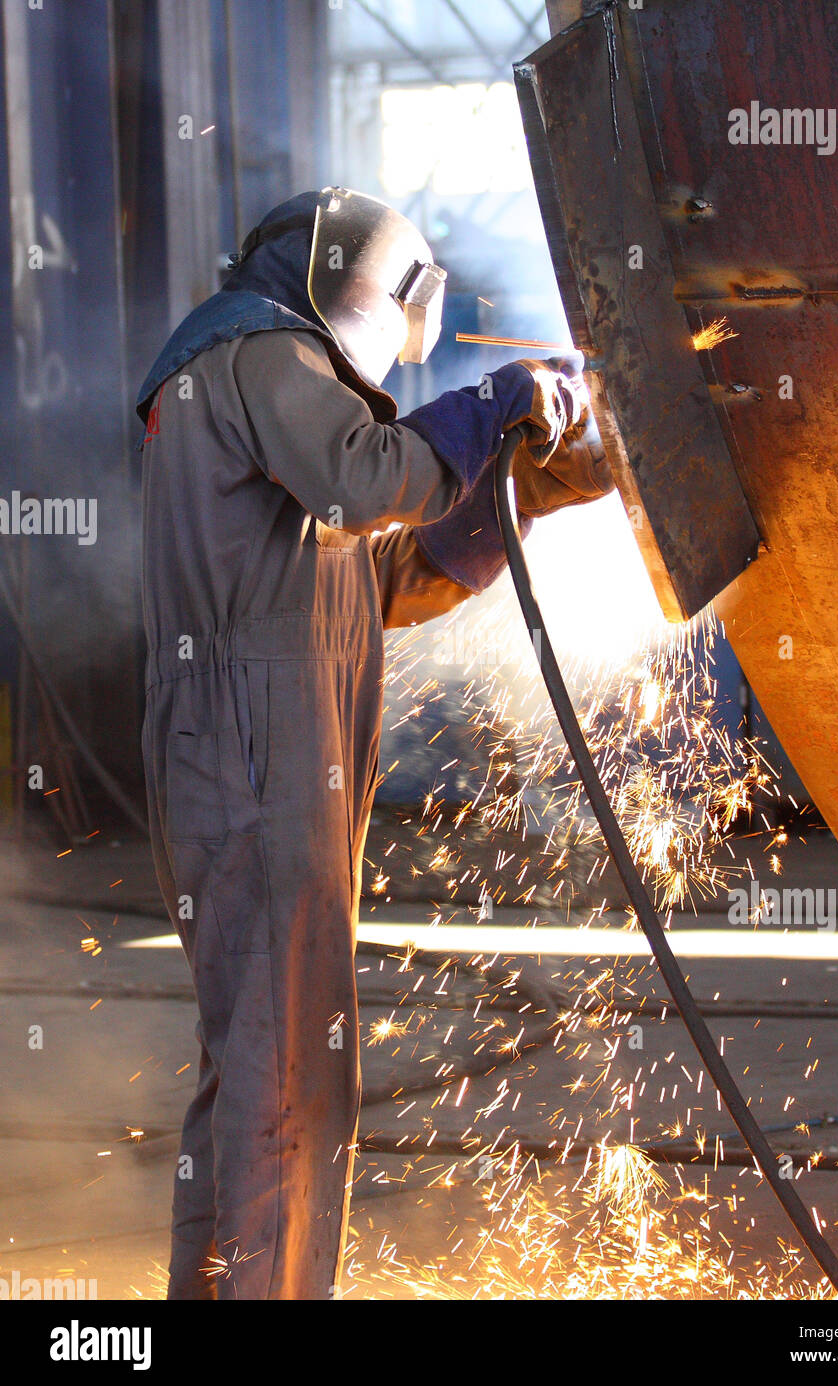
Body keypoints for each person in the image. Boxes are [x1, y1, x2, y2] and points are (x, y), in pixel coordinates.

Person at [135, 187, 612, 1299]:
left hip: (265, 760)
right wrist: (493, 403)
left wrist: (528, 486)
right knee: (282, 1075)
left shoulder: (278, 413)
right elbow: (369, 477)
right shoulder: (255, 356)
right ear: (368, 292)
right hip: (253, 761)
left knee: (274, 1066)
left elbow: (389, 573)